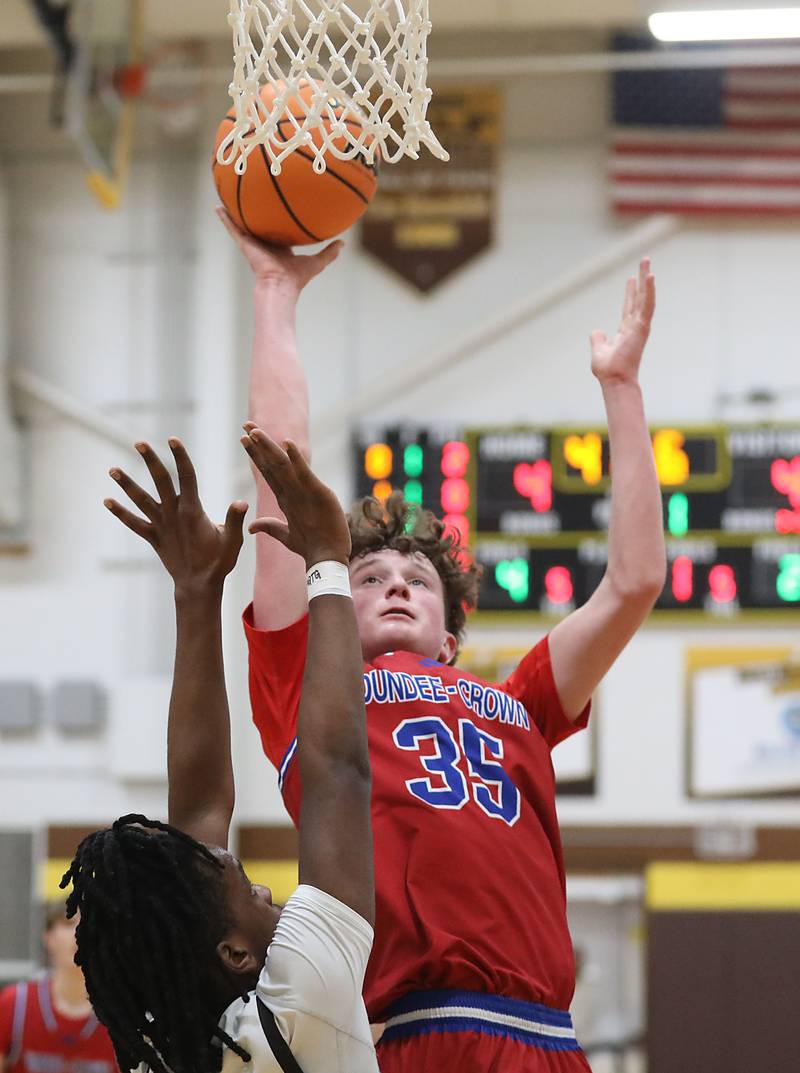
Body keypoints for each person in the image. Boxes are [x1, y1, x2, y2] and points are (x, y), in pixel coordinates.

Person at [223, 206, 667, 1073]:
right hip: (403, 1030)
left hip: (543, 1035)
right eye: (368, 575)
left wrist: (621, 387)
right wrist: (275, 293)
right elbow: (279, 478)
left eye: (416, 580)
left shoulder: (521, 704)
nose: (394, 581)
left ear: (451, 637)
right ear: (329, 607)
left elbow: (635, 581)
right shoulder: (308, 684)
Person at [60, 437, 379, 1073]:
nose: (267, 890)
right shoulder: (295, 1006)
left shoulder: (167, 1045)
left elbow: (203, 808)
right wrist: (326, 561)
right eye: (252, 891)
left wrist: (199, 589)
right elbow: (336, 774)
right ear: (236, 955)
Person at [0, 901, 117, 1073]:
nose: (80, 932)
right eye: (69, 923)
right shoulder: (15, 1004)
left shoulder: (122, 1017)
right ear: (47, 936)